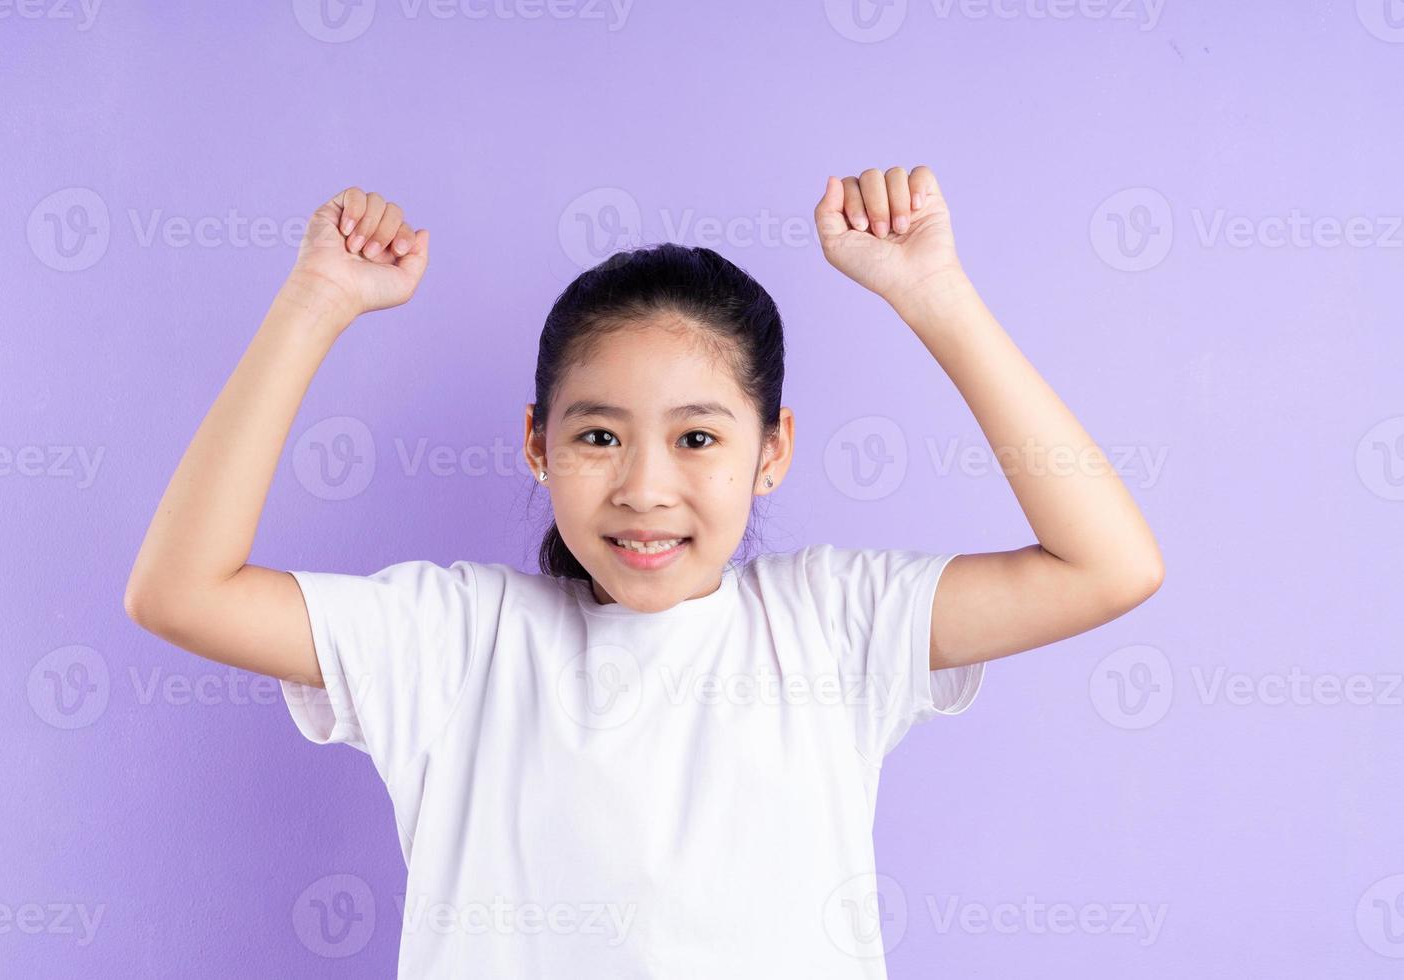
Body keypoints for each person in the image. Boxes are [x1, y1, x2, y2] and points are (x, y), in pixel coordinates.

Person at [123, 168, 1164, 978]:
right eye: (600, 435)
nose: (646, 488)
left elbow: (1107, 564)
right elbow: (180, 589)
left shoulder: (835, 624)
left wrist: (936, 293)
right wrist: (315, 300)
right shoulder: (456, 641)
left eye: (699, 438)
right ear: (536, 443)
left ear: (774, 449)